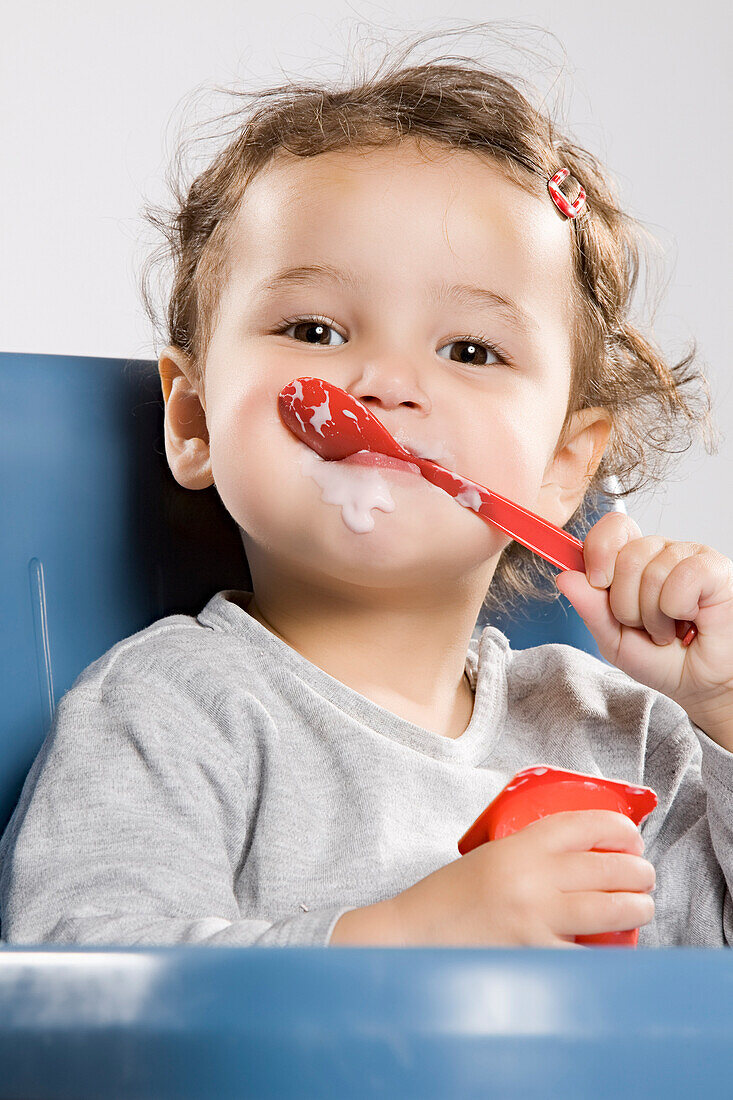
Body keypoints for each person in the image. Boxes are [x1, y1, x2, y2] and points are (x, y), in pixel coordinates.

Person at [1, 26, 731, 948]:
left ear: (560, 471)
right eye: (313, 330)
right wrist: (403, 936)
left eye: (469, 349)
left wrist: (725, 711)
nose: (384, 382)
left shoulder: (629, 736)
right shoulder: (171, 713)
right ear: (191, 423)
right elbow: (82, 980)